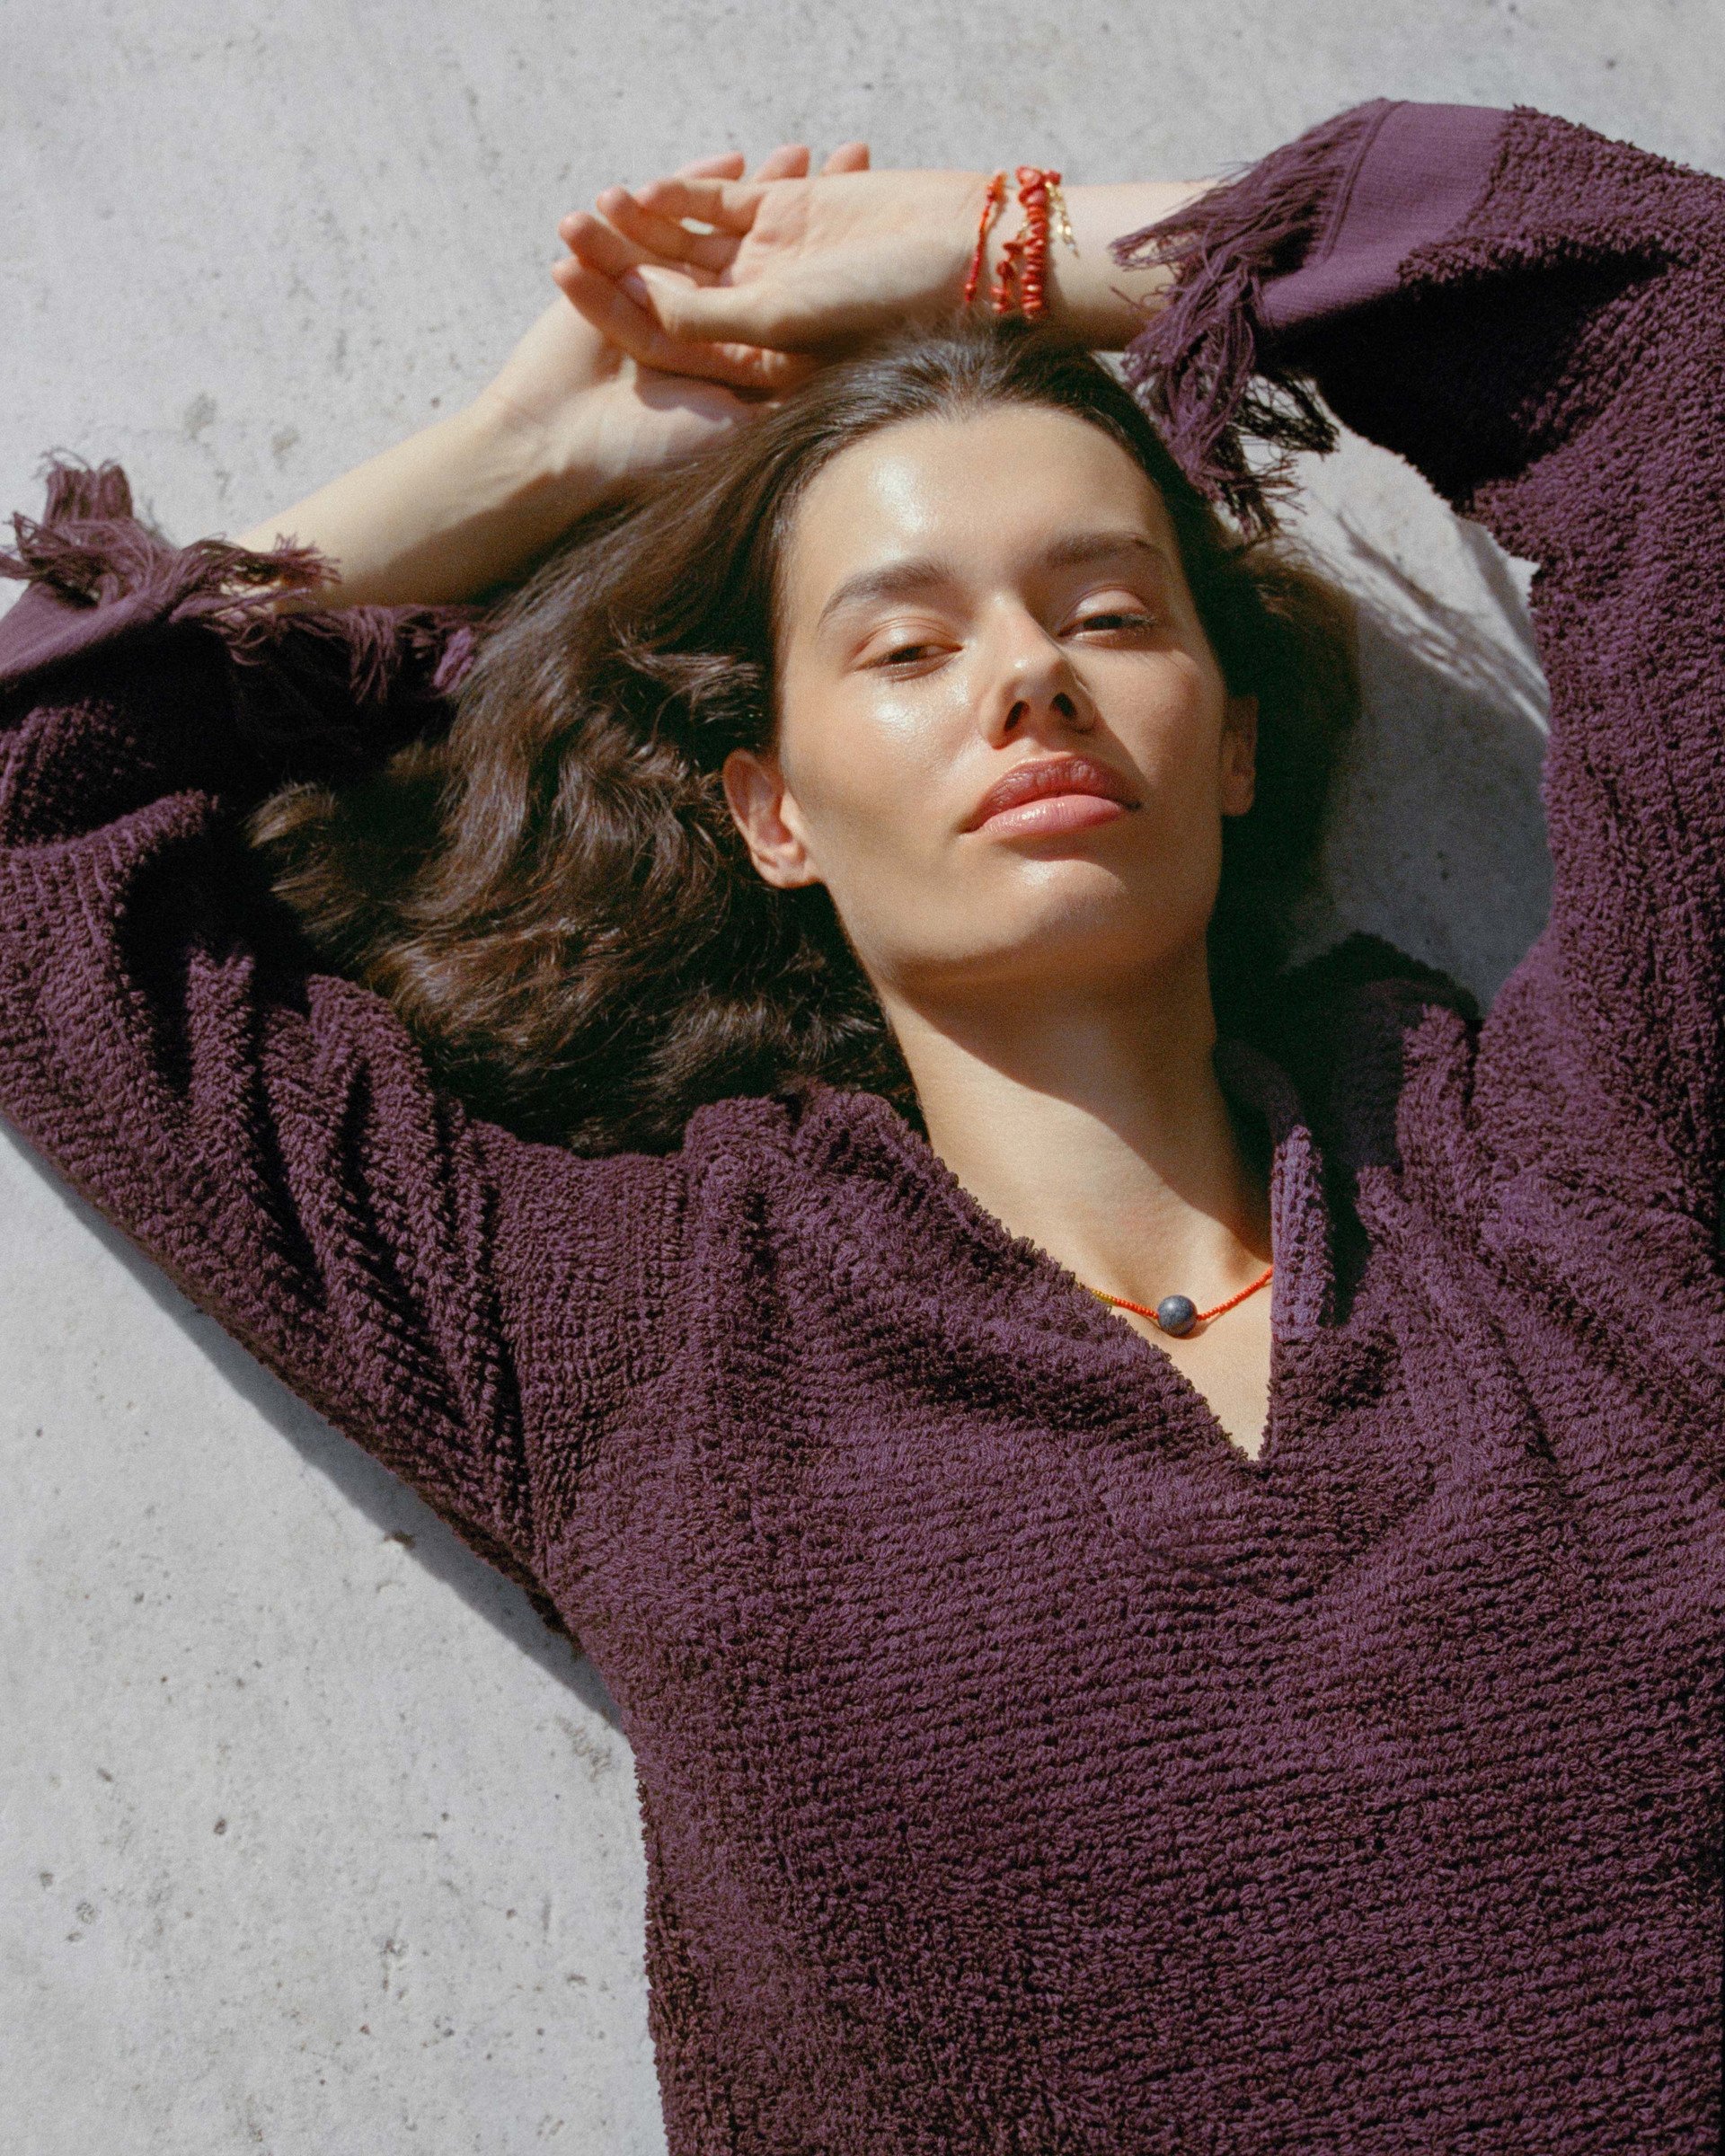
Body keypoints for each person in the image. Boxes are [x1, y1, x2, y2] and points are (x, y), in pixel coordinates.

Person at [2, 95, 1720, 2152]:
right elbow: (32, 818)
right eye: (906, 643)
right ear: (773, 809)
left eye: (1108, 613)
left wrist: (984, 252)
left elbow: (1676, 332)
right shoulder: (625, 1327)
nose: (1029, 682)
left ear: (1236, 738)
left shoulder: (1576, 1154)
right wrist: (535, 458)